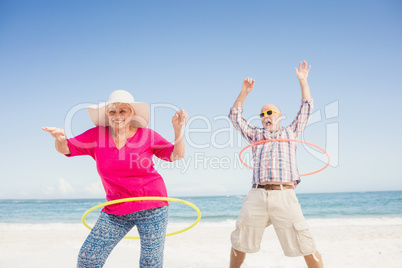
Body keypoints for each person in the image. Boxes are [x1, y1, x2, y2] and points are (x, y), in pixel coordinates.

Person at [42, 89, 188, 268]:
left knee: (150, 263)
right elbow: (66, 148)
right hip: (116, 208)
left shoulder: (147, 135)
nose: (117, 115)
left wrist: (178, 129)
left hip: (152, 205)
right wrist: (59, 138)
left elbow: (177, 155)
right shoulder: (96, 136)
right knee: (88, 257)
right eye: (112, 111)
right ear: (107, 114)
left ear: (131, 113)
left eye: (122, 111)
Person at [228, 61, 323, 268]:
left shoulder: (290, 132)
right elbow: (234, 117)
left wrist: (303, 81)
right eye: (262, 114)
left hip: (284, 194)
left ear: (279, 117)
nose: (266, 117)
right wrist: (244, 92)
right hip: (257, 194)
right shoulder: (255, 135)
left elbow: (307, 107)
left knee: (305, 241)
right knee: (240, 239)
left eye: (270, 113)